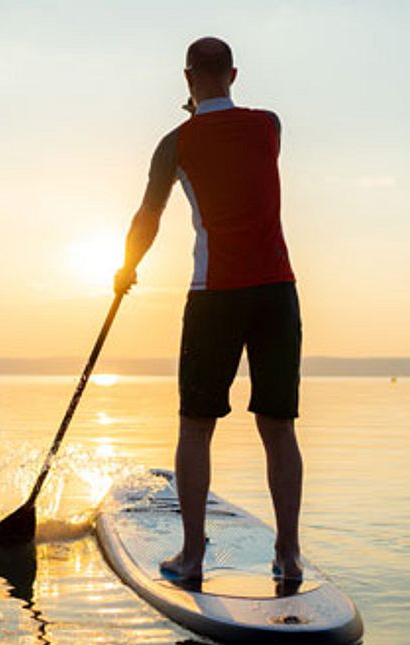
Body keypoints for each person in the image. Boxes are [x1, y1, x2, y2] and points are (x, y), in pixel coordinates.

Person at [114, 36, 304, 582]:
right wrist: (205, 107)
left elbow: (147, 217)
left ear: (187, 77)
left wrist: (126, 270)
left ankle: (193, 556)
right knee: (279, 426)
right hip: (276, 292)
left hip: (214, 295)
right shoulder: (270, 124)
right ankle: (288, 555)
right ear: (235, 74)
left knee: (196, 426)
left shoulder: (174, 144)